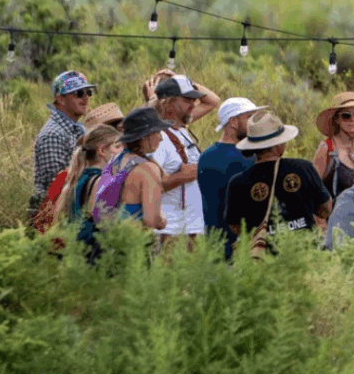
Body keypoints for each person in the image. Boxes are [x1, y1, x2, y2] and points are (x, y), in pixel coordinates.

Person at [225, 111, 333, 253]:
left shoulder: (237, 182)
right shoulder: (303, 168)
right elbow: (326, 208)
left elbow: (235, 225)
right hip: (305, 252)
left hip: (263, 258)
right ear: (278, 145)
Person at [33, 101, 125, 234]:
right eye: (117, 145)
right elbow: (104, 225)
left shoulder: (78, 174)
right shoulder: (98, 180)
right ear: (102, 149)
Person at [149, 73, 221, 244]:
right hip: (171, 230)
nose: (193, 105)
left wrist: (179, 79)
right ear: (168, 102)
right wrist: (191, 173)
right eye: (187, 100)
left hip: (191, 227)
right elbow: (151, 183)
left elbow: (213, 101)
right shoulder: (158, 137)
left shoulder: (180, 130)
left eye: (193, 100)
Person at [198, 97, 264, 254]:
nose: (254, 123)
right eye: (249, 118)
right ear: (233, 122)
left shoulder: (206, 155)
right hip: (240, 247)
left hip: (213, 244)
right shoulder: (247, 158)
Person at [31, 71, 97, 225]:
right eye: (79, 93)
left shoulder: (77, 128)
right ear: (60, 99)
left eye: (88, 92)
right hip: (57, 218)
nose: (86, 97)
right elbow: (55, 186)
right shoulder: (54, 135)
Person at [93, 107, 171, 231]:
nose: (161, 138)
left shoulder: (115, 160)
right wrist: (162, 219)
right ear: (147, 136)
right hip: (136, 242)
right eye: (158, 132)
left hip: (112, 238)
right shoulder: (148, 170)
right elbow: (151, 220)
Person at [313, 91, 354, 203]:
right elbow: (312, 188)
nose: (353, 120)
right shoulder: (327, 147)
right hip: (335, 217)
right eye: (346, 116)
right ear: (336, 119)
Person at [52, 124, 124, 226]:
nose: (122, 151)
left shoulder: (79, 177)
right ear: (102, 151)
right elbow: (106, 227)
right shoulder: (101, 181)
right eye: (117, 146)